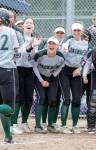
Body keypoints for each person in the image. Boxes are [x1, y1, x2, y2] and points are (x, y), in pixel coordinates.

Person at [13, 17, 42, 133]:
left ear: (33, 26)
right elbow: (21, 52)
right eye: (27, 23)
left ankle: (24, 122)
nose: (29, 24)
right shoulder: (19, 37)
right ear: (23, 26)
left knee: (29, 98)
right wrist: (31, 46)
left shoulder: (35, 39)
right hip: (18, 68)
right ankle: (14, 124)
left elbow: (33, 56)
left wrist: (34, 46)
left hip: (29, 70)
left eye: (31, 23)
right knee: (18, 97)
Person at [59, 22, 88, 134]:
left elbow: (86, 59)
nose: (77, 32)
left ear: (82, 32)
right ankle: (63, 126)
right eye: (75, 30)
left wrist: (80, 69)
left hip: (76, 72)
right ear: (72, 31)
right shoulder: (68, 41)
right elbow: (64, 49)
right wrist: (64, 49)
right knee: (67, 99)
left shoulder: (85, 44)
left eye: (79, 30)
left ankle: (75, 125)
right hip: (65, 71)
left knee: (77, 99)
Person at [33, 36, 65, 133]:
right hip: (39, 77)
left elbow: (60, 68)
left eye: (54, 44)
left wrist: (50, 80)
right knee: (42, 97)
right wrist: (42, 80)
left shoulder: (61, 56)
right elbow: (34, 67)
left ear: (57, 46)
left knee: (52, 99)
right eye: (50, 43)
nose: (51, 45)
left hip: (52, 78)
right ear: (47, 45)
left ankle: (50, 125)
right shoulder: (40, 54)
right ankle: (37, 126)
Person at [0, 9, 19, 143]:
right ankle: (7, 137)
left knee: (3, 106)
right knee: (9, 107)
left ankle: (8, 137)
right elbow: (17, 52)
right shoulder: (11, 31)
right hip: (7, 70)